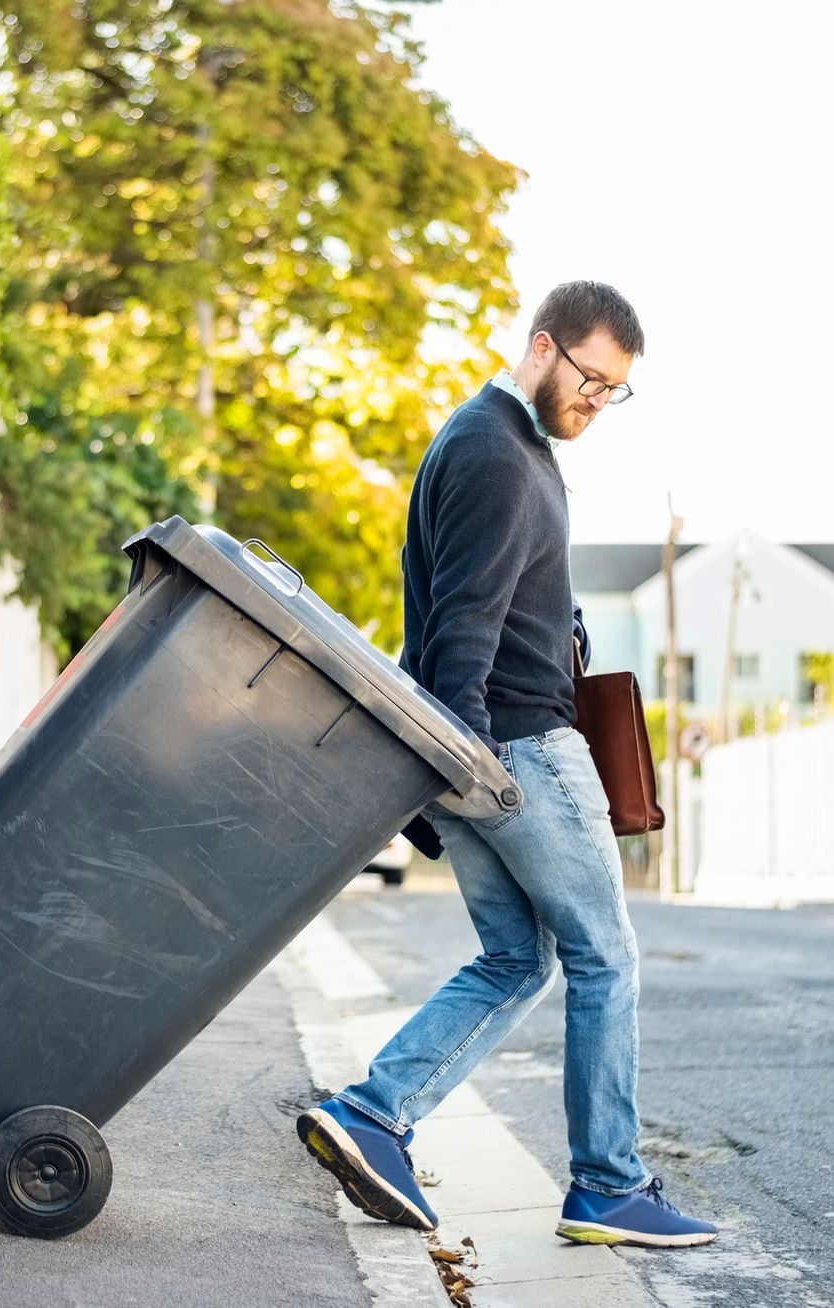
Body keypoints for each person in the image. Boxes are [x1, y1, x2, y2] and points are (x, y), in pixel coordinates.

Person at [297, 281, 717, 1248]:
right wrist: (472, 764)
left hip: (484, 745)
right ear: (542, 347)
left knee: (515, 958)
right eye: (589, 378)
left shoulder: (498, 445)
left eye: (615, 392)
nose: (595, 403)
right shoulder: (494, 450)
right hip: (517, 746)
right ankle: (608, 1185)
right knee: (605, 958)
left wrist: (444, 772)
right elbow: (463, 623)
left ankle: (372, 1113)